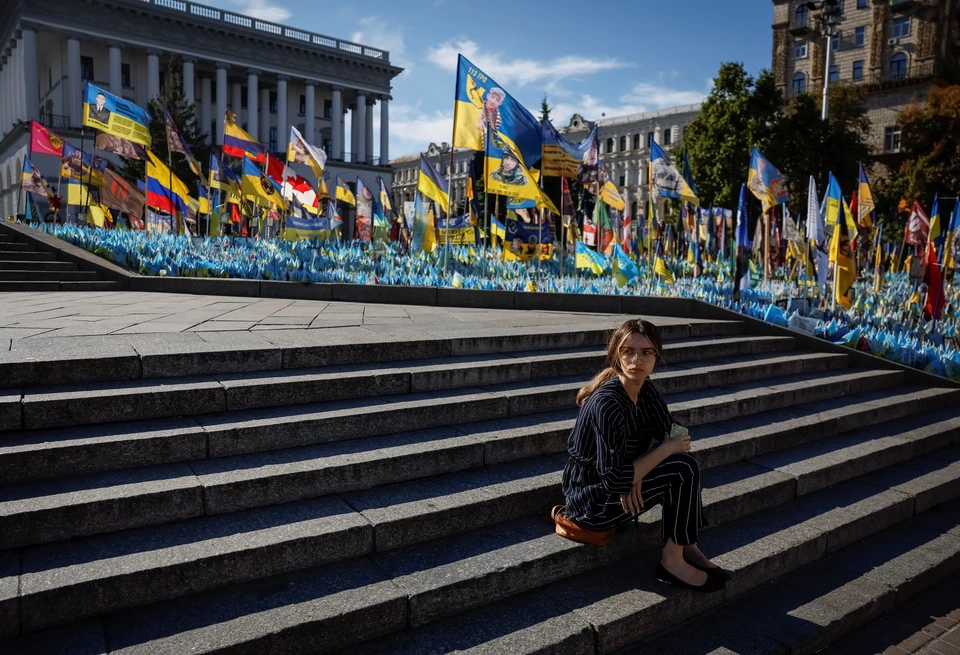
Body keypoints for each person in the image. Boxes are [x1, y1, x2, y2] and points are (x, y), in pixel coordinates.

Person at [560, 319, 728, 592]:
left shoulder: (645, 389)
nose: (637, 359)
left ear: (656, 357)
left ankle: (688, 546)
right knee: (681, 467)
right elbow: (615, 480)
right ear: (616, 354)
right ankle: (671, 563)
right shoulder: (607, 403)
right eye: (628, 351)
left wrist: (639, 471)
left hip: (619, 484)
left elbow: (673, 431)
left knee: (684, 463)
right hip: (592, 502)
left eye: (646, 352)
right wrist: (658, 455)